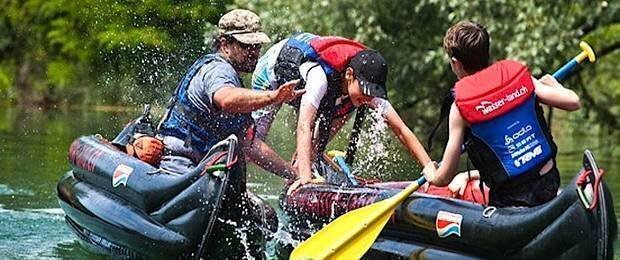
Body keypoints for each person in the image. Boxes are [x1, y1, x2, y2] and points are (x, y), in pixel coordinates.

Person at [156, 9, 304, 257]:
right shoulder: (218, 71)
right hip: (179, 166)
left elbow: (250, 146)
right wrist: (273, 97)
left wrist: (295, 174)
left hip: (207, 173)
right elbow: (225, 99)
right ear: (225, 43)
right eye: (247, 46)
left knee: (265, 216)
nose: (254, 53)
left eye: (257, 46)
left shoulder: (233, 79)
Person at [251, 33, 435, 192]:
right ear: (349, 75)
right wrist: (305, 178)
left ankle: (306, 161)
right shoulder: (319, 78)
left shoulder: (365, 89)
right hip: (272, 72)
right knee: (251, 144)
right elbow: (304, 125)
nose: (368, 97)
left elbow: (401, 129)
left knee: (348, 106)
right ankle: (296, 173)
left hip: (323, 85)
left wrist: (428, 167)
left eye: (372, 93)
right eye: (364, 90)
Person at [423, 21, 581, 207]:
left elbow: (445, 177)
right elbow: (573, 101)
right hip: (548, 183)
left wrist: (431, 173)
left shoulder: (459, 108)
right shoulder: (520, 77)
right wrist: (553, 84)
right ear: (487, 52)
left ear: (456, 63)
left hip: (511, 197)